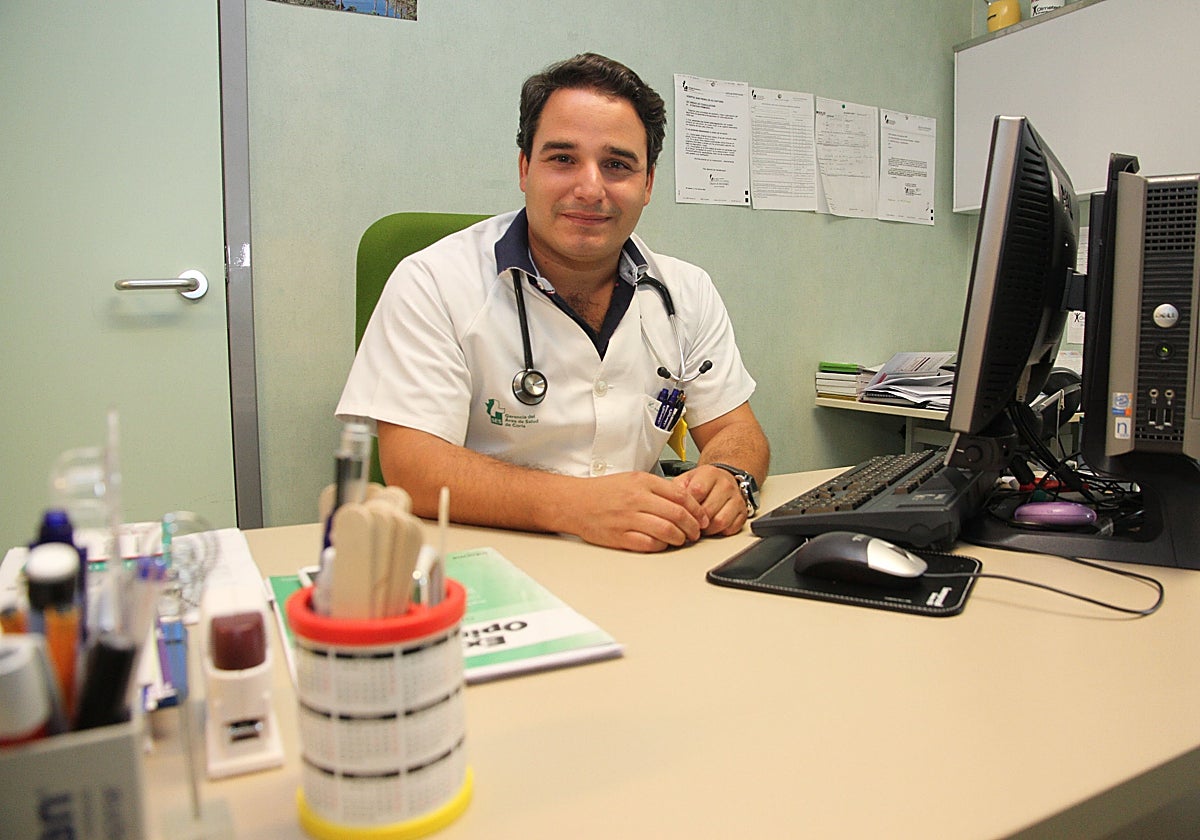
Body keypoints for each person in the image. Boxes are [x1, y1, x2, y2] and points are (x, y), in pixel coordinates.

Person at [337, 53, 769, 553]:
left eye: (617, 165)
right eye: (563, 158)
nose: (590, 188)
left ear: (647, 183)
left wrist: (729, 475)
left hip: (642, 560)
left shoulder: (686, 291)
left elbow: (738, 429)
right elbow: (413, 465)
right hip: (483, 559)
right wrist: (575, 505)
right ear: (525, 168)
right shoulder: (433, 280)